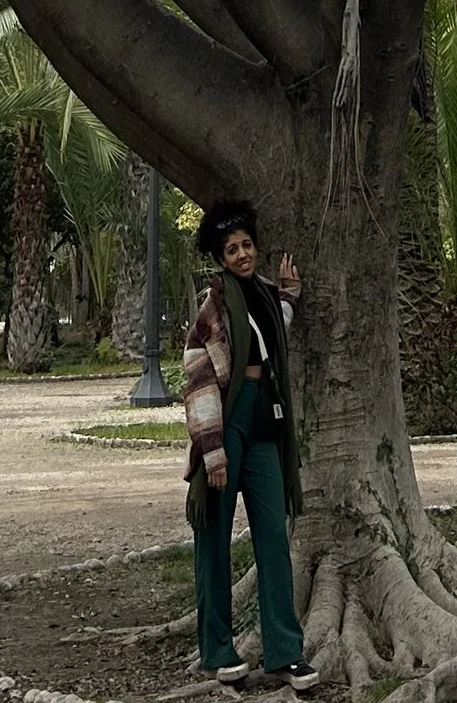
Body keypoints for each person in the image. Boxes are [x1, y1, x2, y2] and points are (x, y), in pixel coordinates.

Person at [182, 201, 318, 695]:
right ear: (220, 257)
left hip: (263, 423)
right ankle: (218, 651)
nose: (241, 254)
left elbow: (270, 336)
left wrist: (290, 298)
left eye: (246, 245)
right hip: (226, 420)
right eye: (231, 249)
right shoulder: (214, 304)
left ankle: (286, 651)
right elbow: (197, 374)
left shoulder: (261, 295)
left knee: (273, 540)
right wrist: (212, 450)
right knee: (214, 540)